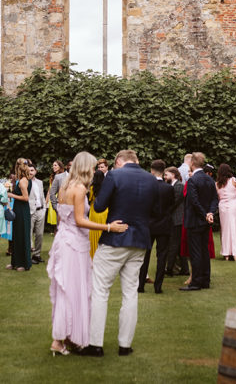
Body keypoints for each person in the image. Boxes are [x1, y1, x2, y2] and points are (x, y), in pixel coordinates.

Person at [77, 149, 157, 357]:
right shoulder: (151, 179)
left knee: (100, 290)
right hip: (140, 240)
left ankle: (95, 344)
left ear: (119, 161)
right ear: (136, 160)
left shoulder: (114, 175)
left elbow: (100, 205)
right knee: (130, 292)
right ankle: (125, 345)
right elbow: (156, 211)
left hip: (115, 239)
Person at [48, 152, 128, 355]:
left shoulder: (66, 185)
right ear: (86, 168)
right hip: (74, 244)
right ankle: (58, 340)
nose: (94, 172)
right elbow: (80, 220)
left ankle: (70, 337)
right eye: (93, 168)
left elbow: (63, 218)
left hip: (64, 240)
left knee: (68, 290)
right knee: (72, 291)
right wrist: (108, 227)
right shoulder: (80, 188)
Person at [181, 152, 218, 292]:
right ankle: (205, 280)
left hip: (195, 220)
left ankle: (196, 282)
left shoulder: (192, 181)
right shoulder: (209, 179)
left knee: (196, 252)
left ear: (192, 163)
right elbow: (215, 199)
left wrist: (205, 214)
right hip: (205, 221)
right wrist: (210, 213)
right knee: (204, 251)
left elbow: (194, 201)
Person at [138, 159, 174, 293]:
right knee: (162, 256)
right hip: (164, 225)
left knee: (145, 256)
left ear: (152, 171)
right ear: (163, 171)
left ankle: (140, 285)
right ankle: (158, 287)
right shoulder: (169, 188)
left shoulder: (146, 186)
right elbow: (172, 205)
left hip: (148, 225)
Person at [7, 158, 32, 271]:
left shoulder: (23, 181)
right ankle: (15, 262)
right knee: (16, 235)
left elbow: (26, 198)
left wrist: (11, 195)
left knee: (22, 235)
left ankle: (23, 263)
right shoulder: (22, 179)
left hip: (22, 210)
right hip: (19, 209)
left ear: (18, 168)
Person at [163, 167, 189, 277]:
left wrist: (163, 212)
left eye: (166, 175)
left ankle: (169, 269)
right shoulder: (172, 186)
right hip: (175, 219)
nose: (164, 177)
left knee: (173, 245)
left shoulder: (179, 186)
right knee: (178, 246)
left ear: (173, 175)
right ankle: (185, 269)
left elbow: (174, 203)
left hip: (177, 219)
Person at [215, 163, 236, 261]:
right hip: (234, 205)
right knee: (235, 228)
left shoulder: (217, 183)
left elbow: (218, 197)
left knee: (225, 229)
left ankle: (226, 254)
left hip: (223, 206)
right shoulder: (234, 180)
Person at [28, 164, 47, 264]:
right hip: (30, 211)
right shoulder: (25, 182)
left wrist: (44, 208)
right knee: (29, 233)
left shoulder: (40, 182)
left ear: (35, 171)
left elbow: (42, 196)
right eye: (29, 170)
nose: (30, 172)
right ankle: (27, 256)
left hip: (40, 210)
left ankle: (37, 255)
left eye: (32, 170)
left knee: (39, 234)